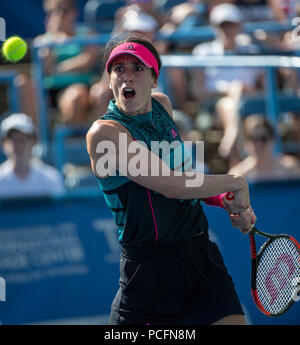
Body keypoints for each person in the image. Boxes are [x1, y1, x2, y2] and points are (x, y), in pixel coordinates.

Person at [86, 34, 257, 325]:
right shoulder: (104, 134)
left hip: (201, 258)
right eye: (119, 69)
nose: (127, 76)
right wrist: (235, 182)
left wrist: (223, 200)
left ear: (154, 78)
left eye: (138, 68)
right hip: (148, 275)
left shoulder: (162, 106)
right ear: (110, 78)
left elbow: (186, 178)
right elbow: (171, 185)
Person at [191, 3, 262, 167]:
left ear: (239, 26)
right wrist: (229, 90)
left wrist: (240, 90)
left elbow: (262, 88)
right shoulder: (202, 52)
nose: (227, 29)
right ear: (215, 27)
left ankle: (232, 148)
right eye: (223, 25)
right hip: (215, 106)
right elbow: (199, 92)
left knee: (231, 104)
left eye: (231, 24)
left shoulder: (252, 51)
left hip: (249, 103)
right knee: (229, 104)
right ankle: (242, 158)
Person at [33, 0, 99, 125]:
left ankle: (75, 140)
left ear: (74, 13)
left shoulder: (87, 34)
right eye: (52, 12)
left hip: (81, 87)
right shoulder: (43, 41)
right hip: (50, 92)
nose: (58, 16)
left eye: (63, 11)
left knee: (76, 97)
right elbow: (44, 69)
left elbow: (87, 61)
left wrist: (57, 69)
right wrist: (52, 39)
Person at [0, 113, 65, 198]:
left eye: (22, 139)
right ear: (3, 143)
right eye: (12, 140)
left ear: (33, 141)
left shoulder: (51, 178)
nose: (17, 145)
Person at [228, 114, 300, 181]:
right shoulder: (238, 175)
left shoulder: (290, 169)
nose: (259, 144)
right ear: (247, 142)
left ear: (272, 139)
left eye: (263, 138)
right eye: (253, 138)